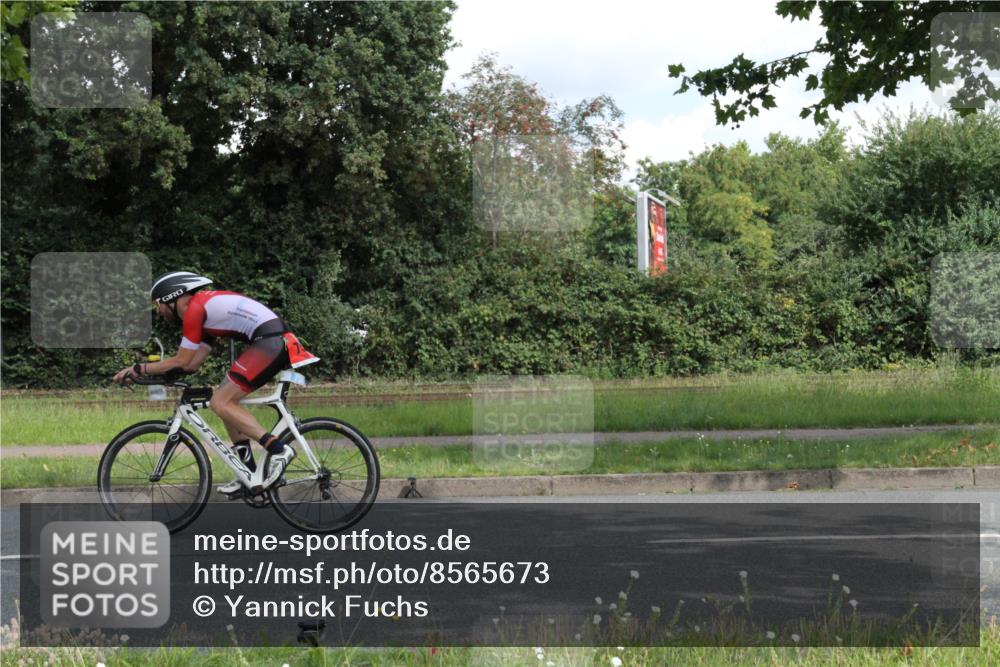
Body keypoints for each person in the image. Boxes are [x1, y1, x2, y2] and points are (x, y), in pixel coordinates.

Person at [113, 271, 317, 493]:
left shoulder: (195, 309)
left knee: (221, 402)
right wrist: (163, 375)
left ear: (171, 298)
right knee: (223, 399)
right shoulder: (204, 313)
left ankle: (279, 450)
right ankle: (247, 472)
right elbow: (191, 364)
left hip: (271, 342)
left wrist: (139, 369)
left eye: (158, 304)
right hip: (272, 341)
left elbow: (182, 359)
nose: (158, 311)